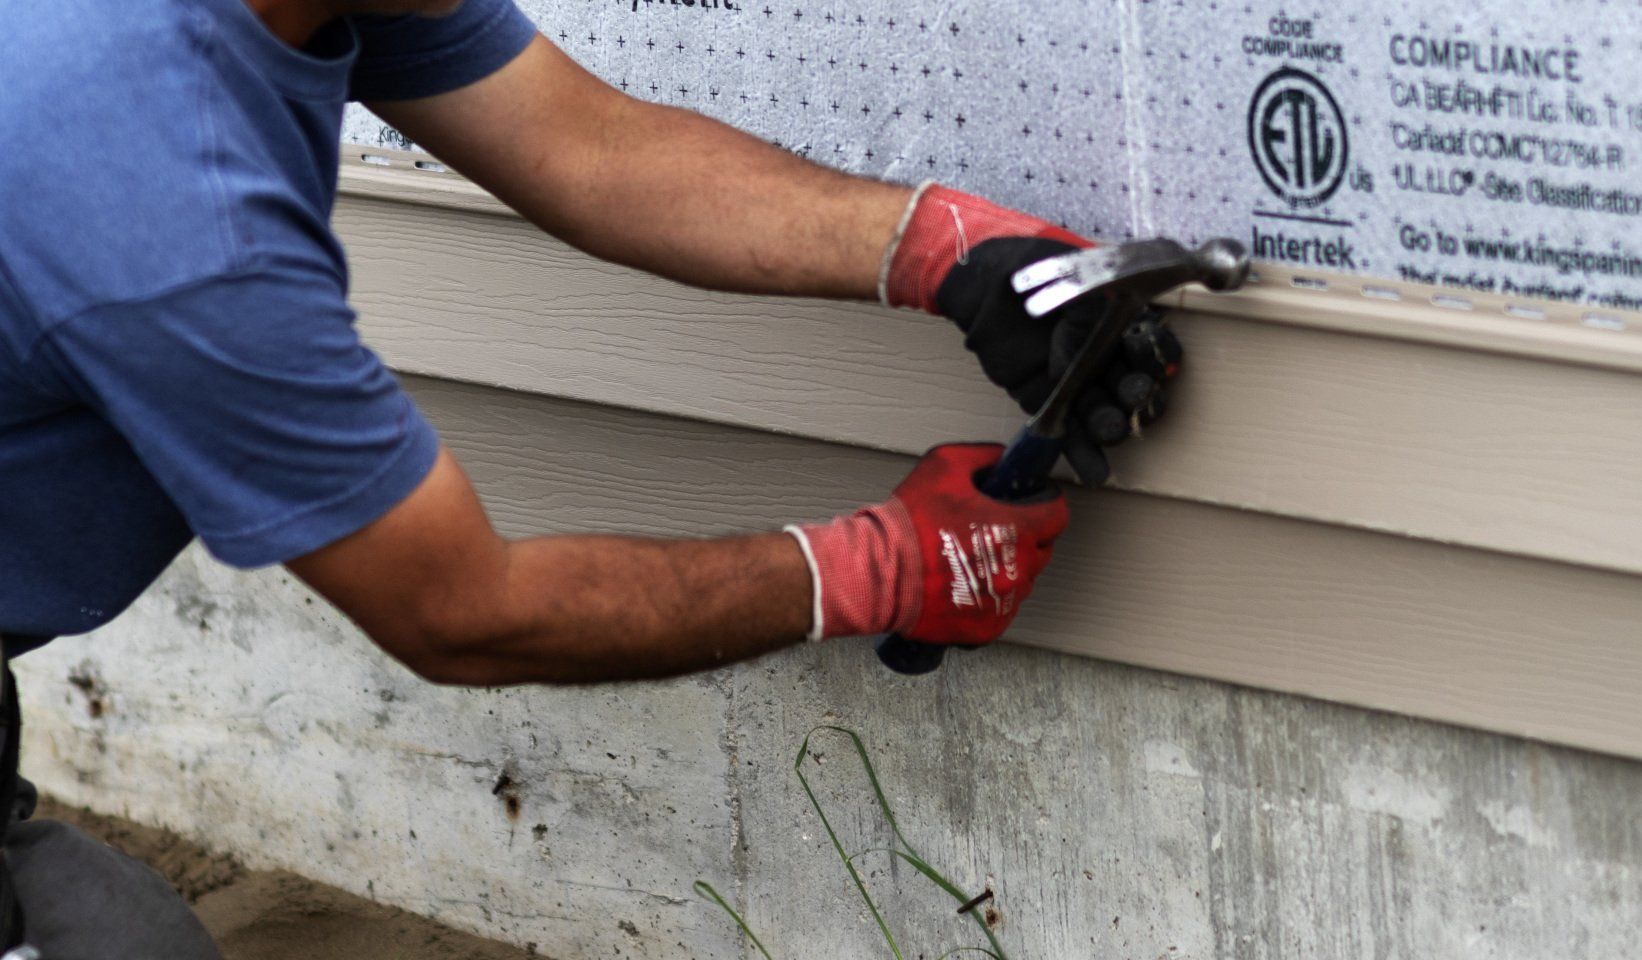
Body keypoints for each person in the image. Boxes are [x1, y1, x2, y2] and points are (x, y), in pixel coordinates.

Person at [0, 0, 1181, 954]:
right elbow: (463, 614)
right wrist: (884, 568)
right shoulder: (164, 207)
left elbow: (589, 151)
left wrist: (947, 250)